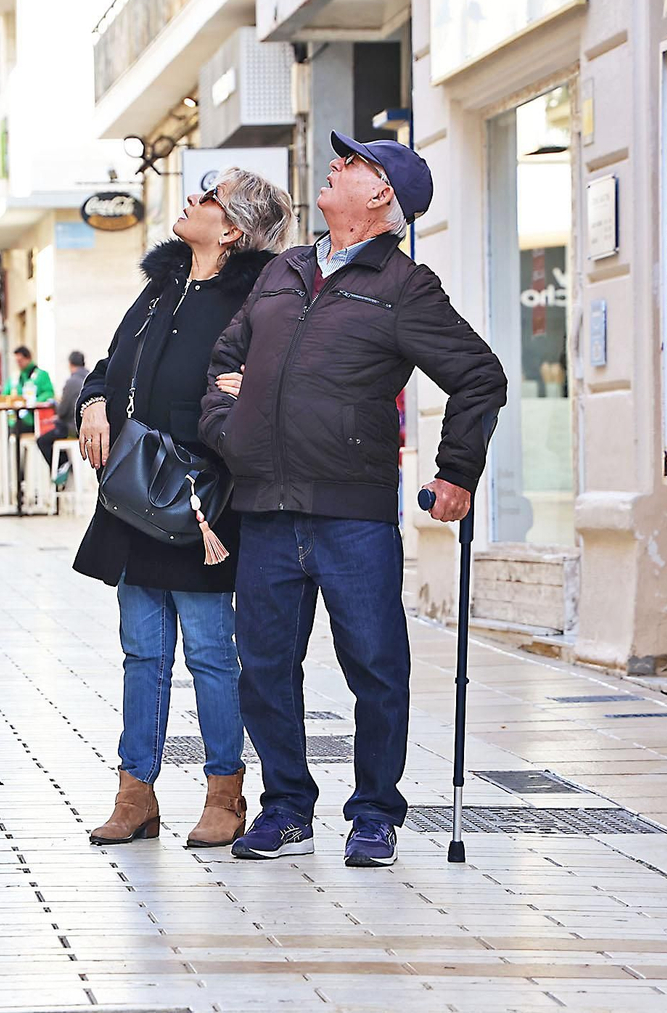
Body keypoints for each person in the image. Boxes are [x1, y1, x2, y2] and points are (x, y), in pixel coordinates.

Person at [199, 132, 507, 868]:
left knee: (375, 664)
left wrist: (457, 473)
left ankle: (374, 812)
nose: (334, 167)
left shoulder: (405, 285)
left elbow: (479, 376)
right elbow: (224, 362)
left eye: (353, 163)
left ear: (380, 197)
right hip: (266, 507)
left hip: (352, 514)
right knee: (265, 667)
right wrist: (229, 427)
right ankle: (286, 807)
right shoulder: (282, 270)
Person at [75, 168, 294, 849]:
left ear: (230, 228)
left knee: (208, 653)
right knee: (141, 651)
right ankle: (134, 792)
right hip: (136, 496)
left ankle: (225, 792)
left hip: (201, 503)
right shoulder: (161, 287)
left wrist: (244, 396)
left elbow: (274, 382)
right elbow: (110, 364)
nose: (191, 201)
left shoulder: (255, 297)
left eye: (206, 198)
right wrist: (91, 402)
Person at [37, 350, 90, 470]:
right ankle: (68, 465)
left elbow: (62, 411)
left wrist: (56, 407)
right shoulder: (90, 378)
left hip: (73, 428)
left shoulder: (71, 382)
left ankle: (63, 466)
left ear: (70, 364)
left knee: (42, 441)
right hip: (87, 427)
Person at [6, 345, 55, 433]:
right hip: (15, 418)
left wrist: (35, 402)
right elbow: (5, 394)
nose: (18, 364)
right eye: (16, 361)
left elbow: (49, 392)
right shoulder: (15, 377)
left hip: (33, 417)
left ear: (28, 358)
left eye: (20, 361)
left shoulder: (41, 375)